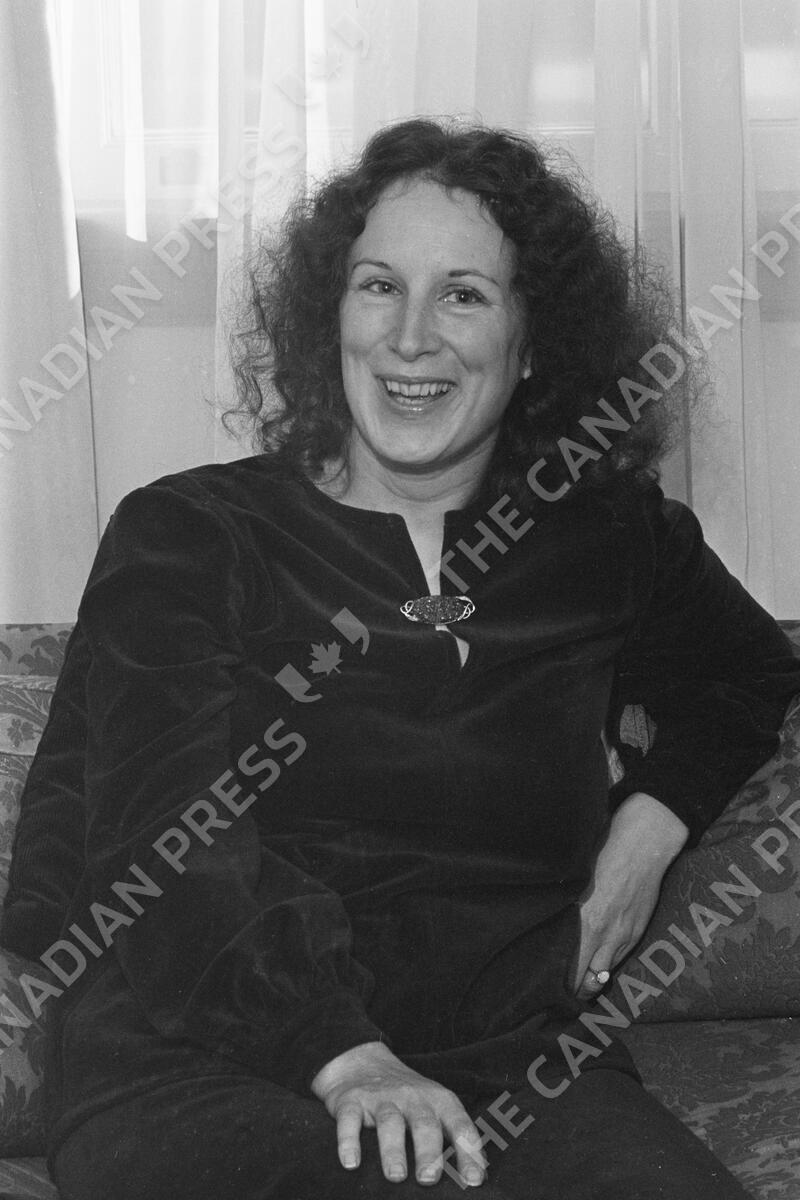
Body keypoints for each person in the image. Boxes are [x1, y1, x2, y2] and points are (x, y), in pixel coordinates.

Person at [4, 117, 799, 1200]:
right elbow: (161, 837)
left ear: (534, 343)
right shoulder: (190, 535)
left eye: (463, 294)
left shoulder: (606, 536)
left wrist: (645, 836)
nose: (411, 337)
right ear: (328, 316)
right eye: (379, 286)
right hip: (203, 1053)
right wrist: (346, 1058)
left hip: (513, 1050)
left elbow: (747, 675)